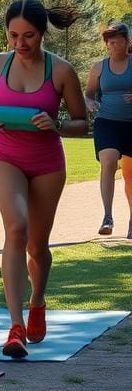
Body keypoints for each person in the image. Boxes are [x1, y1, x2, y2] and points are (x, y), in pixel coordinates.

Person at [0, 0, 87, 358]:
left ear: (42, 33)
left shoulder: (62, 70)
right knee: (16, 230)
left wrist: (58, 125)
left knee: (38, 246)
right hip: (5, 155)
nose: (20, 44)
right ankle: (15, 325)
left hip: (47, 161)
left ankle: (37, 301)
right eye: (13, 35)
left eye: (29, 36)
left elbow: (83, 124)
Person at [84, 22, 132, 238]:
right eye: (108, 42)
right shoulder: (99, 67)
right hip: (107, 122)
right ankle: (108, 216)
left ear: (126, 42)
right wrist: (90, 103)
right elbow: (89, 93)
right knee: (109, 161)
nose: (110, 45)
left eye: (115, 41)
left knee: (130, 175)